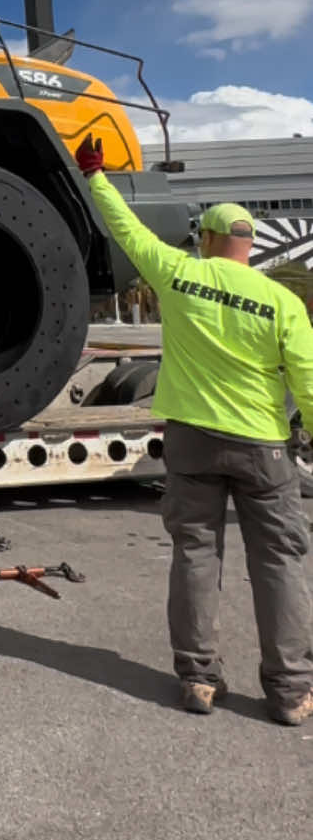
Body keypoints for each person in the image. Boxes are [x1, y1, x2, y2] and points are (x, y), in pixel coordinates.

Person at [75, 134, 313, 722]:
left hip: (192, 444)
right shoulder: (282, 301)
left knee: (196, 556)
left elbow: (126, 231)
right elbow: (308, 378)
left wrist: (96, 175)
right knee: (280, 563)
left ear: (205, 239)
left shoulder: (179, 274)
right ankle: (290, 692)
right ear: (249, 245)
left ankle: (199, 679)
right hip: (262, 447)